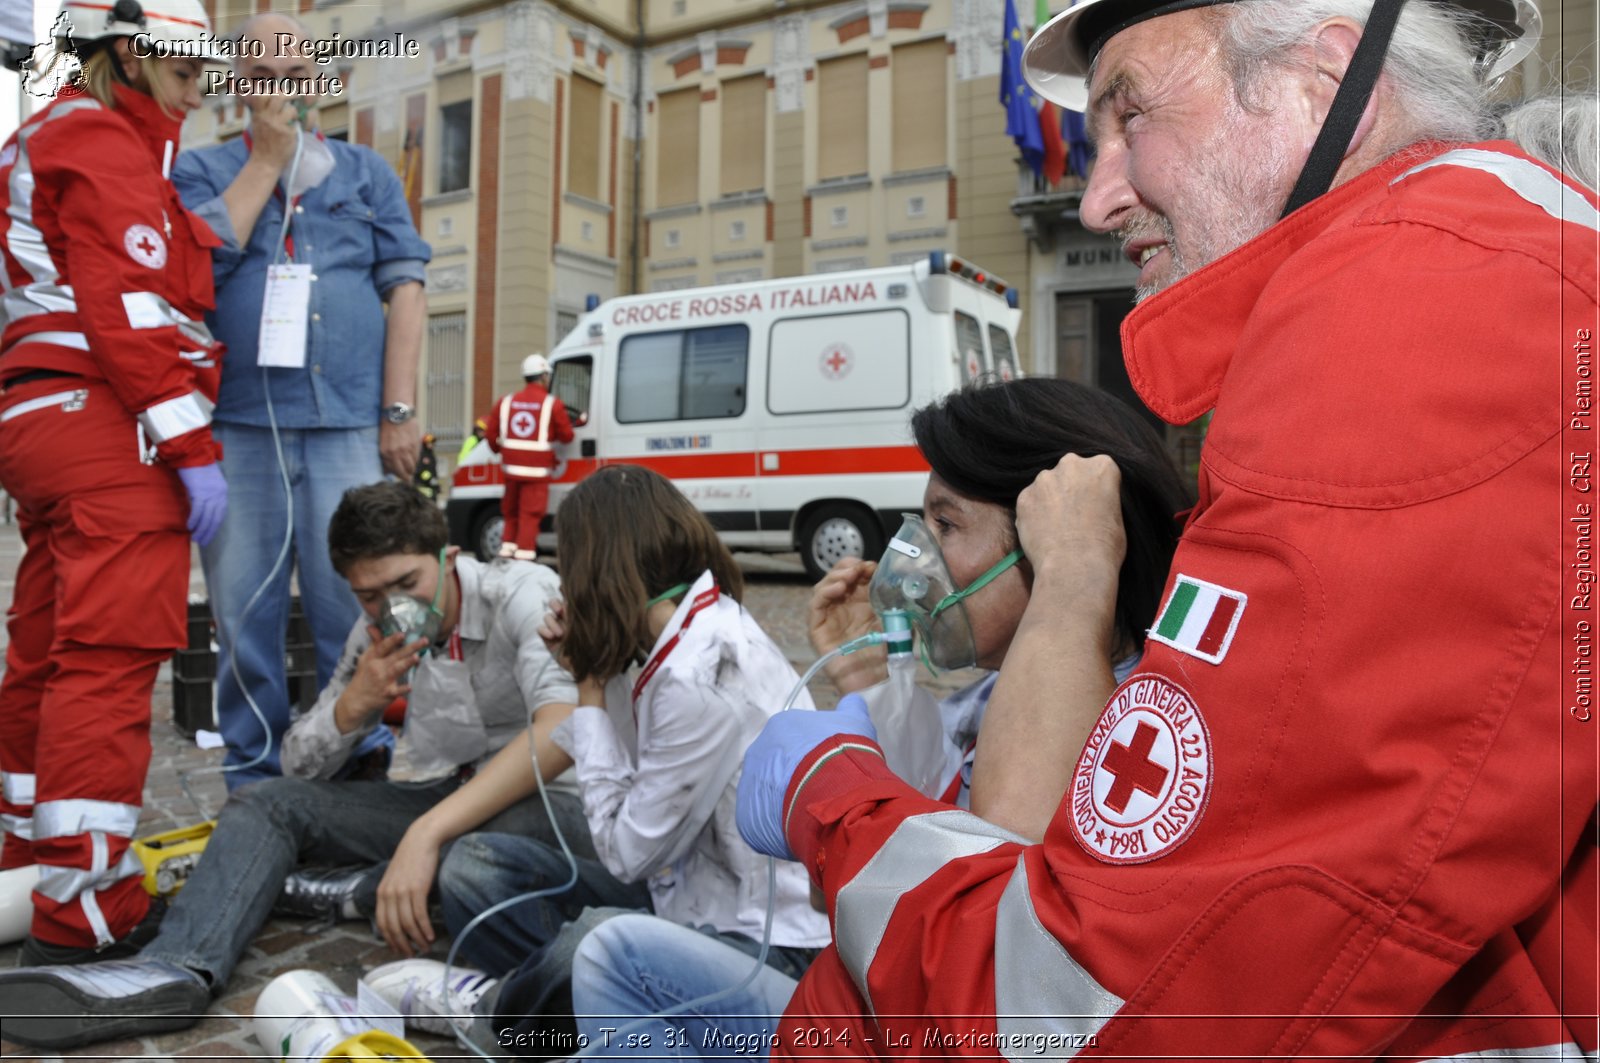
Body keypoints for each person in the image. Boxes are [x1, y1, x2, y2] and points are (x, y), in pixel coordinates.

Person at [737, 0, 1600, 1058]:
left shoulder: (1411, 317)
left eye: (1127, 112)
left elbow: (1088, 1004)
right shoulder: (1496, 261)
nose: (1095, 198)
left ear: (1321, 81)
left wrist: (832, 798)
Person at [567, 378, 1193, 1057]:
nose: (911, 558)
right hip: (854, 1007)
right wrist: (864, 677)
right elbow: (860, 886)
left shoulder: (1127, 730)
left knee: (595, 951)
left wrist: (830, 808)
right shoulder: (990, 696)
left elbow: (989, 942)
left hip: (887, 1025)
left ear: (1054, 536)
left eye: (945, 525)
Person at [0, 481, 613, 1051]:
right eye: (368, 594)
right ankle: (176, 968)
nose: (390, 606)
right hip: (448, 796)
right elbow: (296, 765)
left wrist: (427, 834)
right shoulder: (370, 632)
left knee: (466, 863)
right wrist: (353, 708)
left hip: (548, 809)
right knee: (266, 804)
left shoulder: (517, 592)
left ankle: (374, 886)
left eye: (406, 583)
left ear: (446, 555)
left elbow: (562, 731)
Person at [382, 464, 830, 1054]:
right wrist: (594, 665)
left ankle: (498, 1012)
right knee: (474, 866)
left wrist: (588, 692)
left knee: (598, 938)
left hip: (765, 943)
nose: (564, 582)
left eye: (569, 563)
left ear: (597, 568)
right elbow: (634, 784)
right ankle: (570, 999)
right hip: (682, 890)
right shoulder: (662, 634)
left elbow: (626, 854)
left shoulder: (699, 672)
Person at [0, 0, 227, 968]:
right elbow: (128, 301)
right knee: (107, 661)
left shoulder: (38, 136)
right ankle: (86, 908)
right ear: (129, 52)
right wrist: (190, 444)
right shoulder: (100, 141)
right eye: (183, 74)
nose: (195, 95)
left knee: (46, 657)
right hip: (108, 427)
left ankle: (25, 863)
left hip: (39, 419)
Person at [171, 12, 432, 788]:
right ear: (236, 89)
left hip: (350, 423)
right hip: (241, 428)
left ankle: (358, 760)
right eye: (263, 79)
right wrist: (267, 163)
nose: (282, 92)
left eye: (295, 77)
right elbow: (195, 275)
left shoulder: (367, 173)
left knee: (356, 609)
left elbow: (407, 288)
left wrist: (399, 410)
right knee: (244, 612)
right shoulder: (200, 171)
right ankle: (253, 770)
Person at [478, 352, 576, 561]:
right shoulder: (552, 404)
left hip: (511, 470)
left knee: (511, 512)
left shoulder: (506, 402)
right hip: (537, 472)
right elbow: (567, 435)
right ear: (543, 377)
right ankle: (524, 556)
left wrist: (500, 451)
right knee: (530, 515)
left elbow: (490, 434)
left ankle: (507, 552)